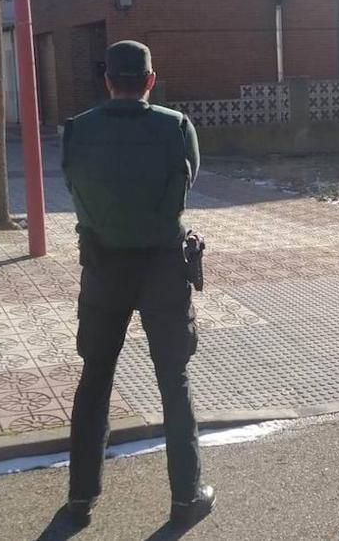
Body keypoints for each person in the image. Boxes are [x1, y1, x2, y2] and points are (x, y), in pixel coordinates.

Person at [60, 40, 213, 528]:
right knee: (174, 379)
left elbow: (72, 184)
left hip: (103, 267)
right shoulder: (176, 127)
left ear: (108, 80)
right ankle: (186, 497)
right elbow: (187, 180)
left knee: (95, 378)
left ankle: (81, 497)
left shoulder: (78, 131)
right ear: (150, 80)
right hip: (163, 269)